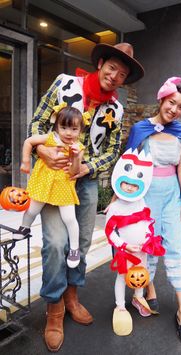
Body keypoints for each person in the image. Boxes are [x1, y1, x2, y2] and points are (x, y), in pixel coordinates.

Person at [28, 42, 144, 351]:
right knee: (55, 242)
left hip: (86, 183)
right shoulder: (65, 84)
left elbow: (110, 151)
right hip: (54, 177)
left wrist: (89, 167)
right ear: (101, 63)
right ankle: (54, 306)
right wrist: (42, 150)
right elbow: (38, 122)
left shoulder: (116, 110)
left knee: (79, 243)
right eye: (112, 68)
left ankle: (72, 295)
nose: (115, 75)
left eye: (122, 73)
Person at [126, 77, 181, 345]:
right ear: (162, 99)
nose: (175, 110)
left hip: (170, 197)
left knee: (176, 251)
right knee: (146, 247)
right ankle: (149, 287)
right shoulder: (141, 129)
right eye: (172, 103)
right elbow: (128, 165)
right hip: (144, 195)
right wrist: (121, 199)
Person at [13, 105, 85, 268]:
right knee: (32, 209)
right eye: (64, 127)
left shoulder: (78, 148)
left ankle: (74, 248)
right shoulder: (51, 138)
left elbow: (74, 172)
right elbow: (29, 141)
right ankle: (24, 228)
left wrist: (74, 157)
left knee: (69, 218)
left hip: (64, 185)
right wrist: (25, 161)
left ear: (80, 130)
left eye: (73, 129)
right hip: (44, 182)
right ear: (56, 126)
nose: (68, 133)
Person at [105, 149, 165, 336]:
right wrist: (123, 246)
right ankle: (120, 306)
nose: (130, 188)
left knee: (141, 275)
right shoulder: (114, 207)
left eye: (134, 185)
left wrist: (149, 239)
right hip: (125, 252)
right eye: (126, 184)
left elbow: (148, 222)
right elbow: (110, 232)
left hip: (142, 251)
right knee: (123, 278)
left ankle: (138, 298)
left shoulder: (142, 203)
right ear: (119, 182)